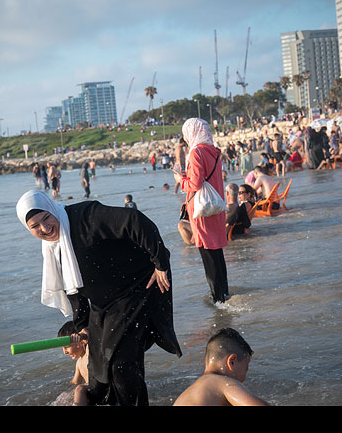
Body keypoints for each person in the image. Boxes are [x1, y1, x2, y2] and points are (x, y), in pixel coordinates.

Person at [16, 190, 182, 406]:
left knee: (120, 362)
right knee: (98, 367)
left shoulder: (87, 216)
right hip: (105, 303)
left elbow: (134, 220)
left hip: (138, 287)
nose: (45, 228)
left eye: (46, 218)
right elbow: (73, 289)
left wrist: (160, 263)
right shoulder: (54, 246)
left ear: (52, 208)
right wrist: (82, 326)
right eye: (35, 226)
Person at [176, 118, 229, 303]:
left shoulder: (196, 152)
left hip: (202, 210)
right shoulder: (213, 151)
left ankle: (218, 299)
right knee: (217, 252)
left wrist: (180, 179)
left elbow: (195, 184)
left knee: (208, 254)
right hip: (216, 206)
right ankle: (225, 293)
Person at [173, 328, 268, 406]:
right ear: (232, 362)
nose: (244, 378)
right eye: (245, 369)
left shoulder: (192, 392)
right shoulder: (221, 382)